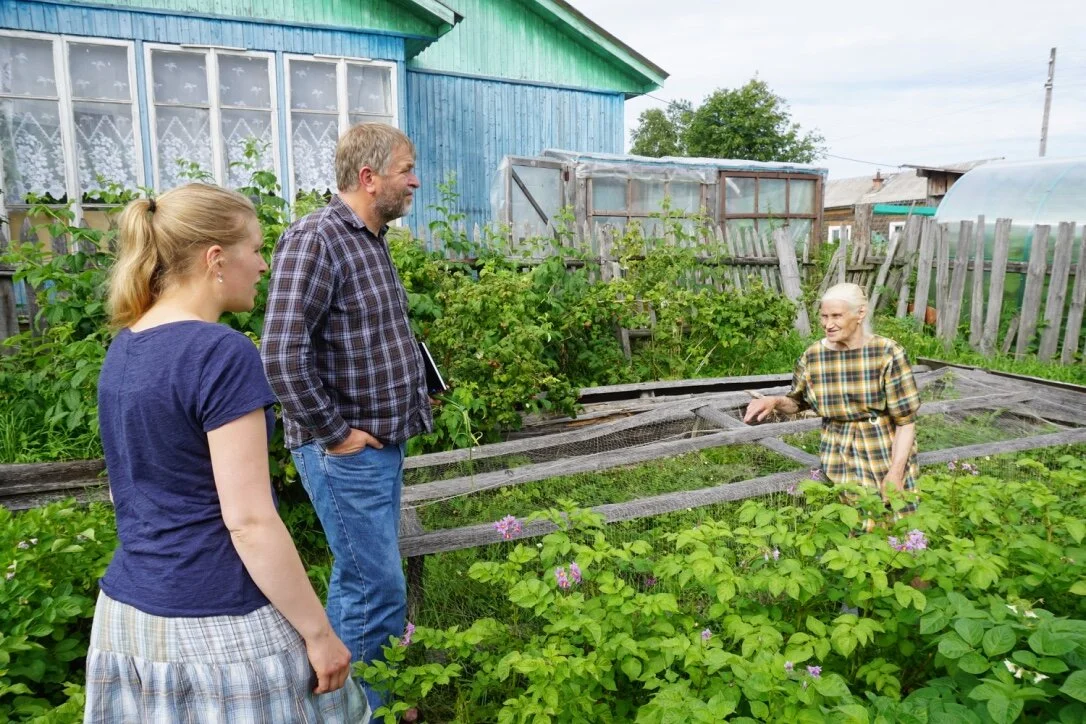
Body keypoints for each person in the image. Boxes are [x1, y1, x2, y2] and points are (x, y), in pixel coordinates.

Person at [85, 183, 368, 723]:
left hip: (127, 618)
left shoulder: (126, 346)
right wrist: (319, 632)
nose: (264, 265)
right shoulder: (220, 353)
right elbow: (249, 523)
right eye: (257, 249)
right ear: (216, 258)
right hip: (217, 626)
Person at [261, 123, 432, 711]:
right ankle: (354, 714)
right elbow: (281, 355)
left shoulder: (369, 237)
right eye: (406, 169)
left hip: (378, 448)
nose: (414, 180)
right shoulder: (316, 239)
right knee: (370, 588)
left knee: (373, 582)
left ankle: (374, 699)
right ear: (369, 177)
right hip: (345, 454)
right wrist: (335, 435)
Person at [744, 282, 921, 517]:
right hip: (838, 454)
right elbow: (798, 403)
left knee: (896, 525)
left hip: (883, 452)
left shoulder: (887, 353)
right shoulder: (814, 356)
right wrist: (775, 401)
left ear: (860, 313)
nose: (828, 324)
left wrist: (896, 472)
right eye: (824, 316)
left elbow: (905, 422)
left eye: (836, 315)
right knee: (850, 525)